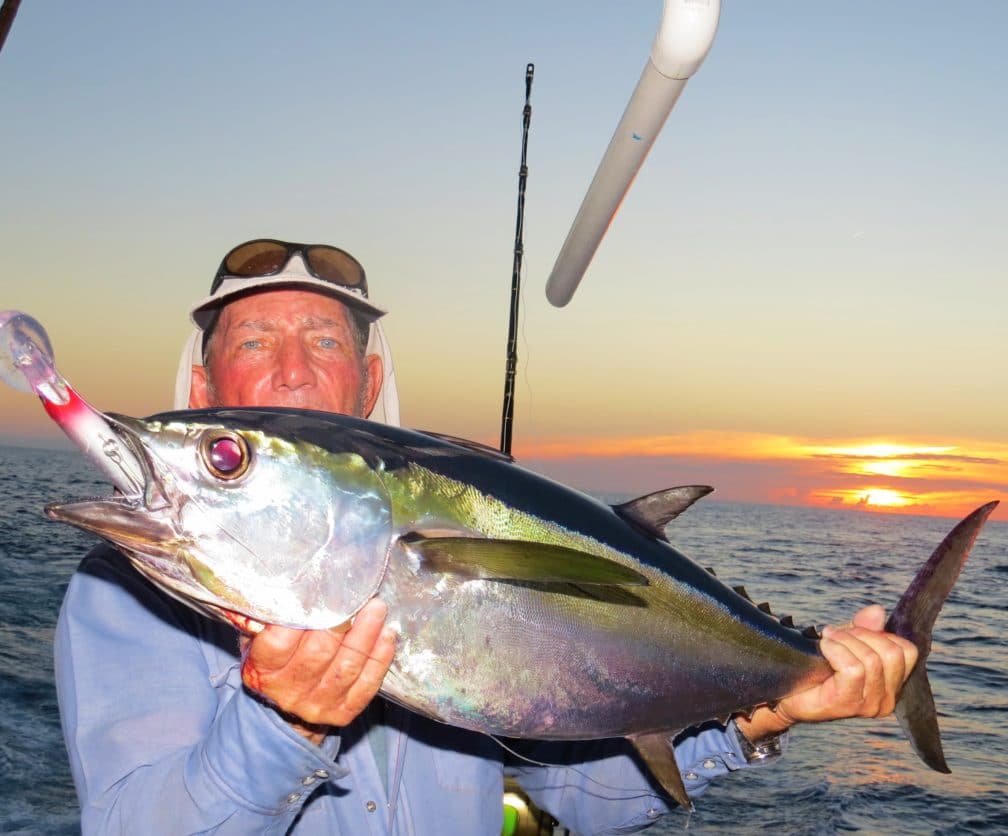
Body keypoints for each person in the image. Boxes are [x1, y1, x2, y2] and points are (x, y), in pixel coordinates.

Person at [55, 238, 919, 834]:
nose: (293, 367)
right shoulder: (121, 597)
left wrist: (774, 707)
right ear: (205, 383)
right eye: (257, 340)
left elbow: (568, 799)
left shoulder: (447, 509)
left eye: (324, 339)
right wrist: (285, 722)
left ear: (369, 380)